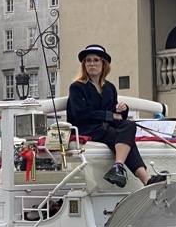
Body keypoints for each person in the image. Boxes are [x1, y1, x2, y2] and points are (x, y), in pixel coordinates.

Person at [66, 44, 164, 187]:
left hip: (105, 126)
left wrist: (122, 109)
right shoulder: (77, 87)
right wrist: (110, 116)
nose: (92, 64)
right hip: (86, 127)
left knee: (129, 125)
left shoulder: (109, 87)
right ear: (84, 65)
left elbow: (113, 111)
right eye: (88, 61)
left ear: (103, 64)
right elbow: (81, 113)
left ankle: (118, 166)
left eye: (96, 60)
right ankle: (145, 179)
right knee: (121, 136)